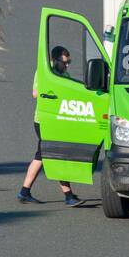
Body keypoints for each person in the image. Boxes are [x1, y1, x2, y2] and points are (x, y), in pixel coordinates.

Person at [19, 46, 82, 206]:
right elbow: (35, 93)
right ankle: (68, 196)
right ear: (54, 60)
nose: (67, 66)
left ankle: (24, 192)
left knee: (42, 155)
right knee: (53, 154)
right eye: (64, 62)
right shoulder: (44, 72)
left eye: (69, 62)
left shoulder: (64, 74)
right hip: (44, 120)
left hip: (58, 120)